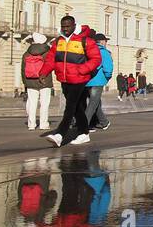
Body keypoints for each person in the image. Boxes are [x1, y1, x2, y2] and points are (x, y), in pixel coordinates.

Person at [33, 14, 102, 147]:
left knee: (70, 106)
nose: (65, 29)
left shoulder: (85, 41)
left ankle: (60, 134)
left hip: (79, 79)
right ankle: (84, 133)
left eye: (68, 26)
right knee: (78, 107)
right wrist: (43, 73)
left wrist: (82, 70)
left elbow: (96, 59)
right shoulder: (58, 41)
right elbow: (51, 60)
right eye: (63, 27)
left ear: (74, 26)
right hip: (64, 78)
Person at [21, 33, 55, 131]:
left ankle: (31, 124)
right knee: (44, 103)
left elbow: (23, 69)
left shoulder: (26, 53)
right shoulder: (48, 53)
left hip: (30, 81)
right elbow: (51, 65)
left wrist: (25, 82)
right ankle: (43, 124)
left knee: (32, 103)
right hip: (45, 80)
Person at [84, 32, 113, 132]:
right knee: (93, 103)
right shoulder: (103, 52)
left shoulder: (88, 51)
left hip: (87, 80)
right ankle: (83, 126)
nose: (106, 43)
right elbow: (108, 68)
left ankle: (104, 122)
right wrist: (107, 77)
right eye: (105, 41)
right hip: (98, 80)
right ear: (101, 41)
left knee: (96, 103)